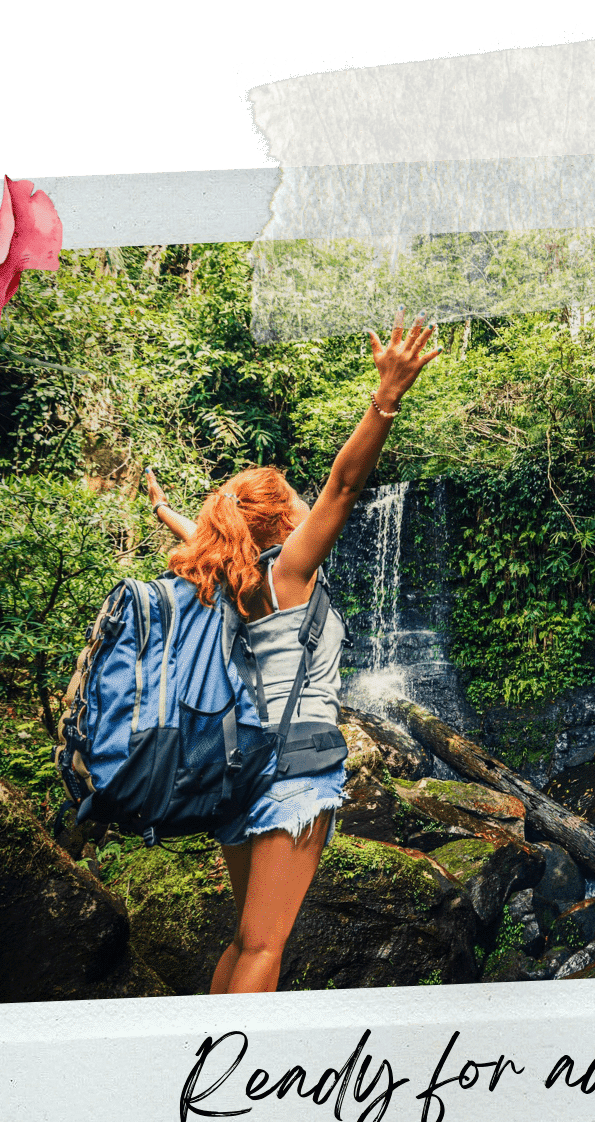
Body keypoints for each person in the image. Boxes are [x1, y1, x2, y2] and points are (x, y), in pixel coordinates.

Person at [144, 312, 441, 994]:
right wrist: (386, 396)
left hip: (239, 764)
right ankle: (230, 1084)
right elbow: (344, 484)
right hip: (295, 767)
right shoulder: (290, 571)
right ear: (283, 521)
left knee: (244, 939)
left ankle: (198, 1061)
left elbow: (207, 538)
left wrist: (166, 513)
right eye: (298, 501)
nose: (313, 505)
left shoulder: (234, 580)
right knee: (264, 948)